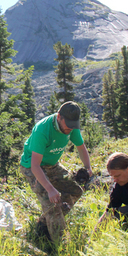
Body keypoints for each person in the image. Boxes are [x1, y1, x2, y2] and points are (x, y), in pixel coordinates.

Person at [20, 101, 93, 243]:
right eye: (68, 126)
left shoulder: (71, 126)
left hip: (52, 166)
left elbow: (81, 147)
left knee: (75, 191)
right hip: (33, 168)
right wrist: (50, 189)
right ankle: (60, 247)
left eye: (73, 126)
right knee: (52, 204)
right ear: (59, 117)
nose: (70, 130)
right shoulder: (43, 130)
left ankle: (43, 225)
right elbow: (35, 166)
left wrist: (88, 167)